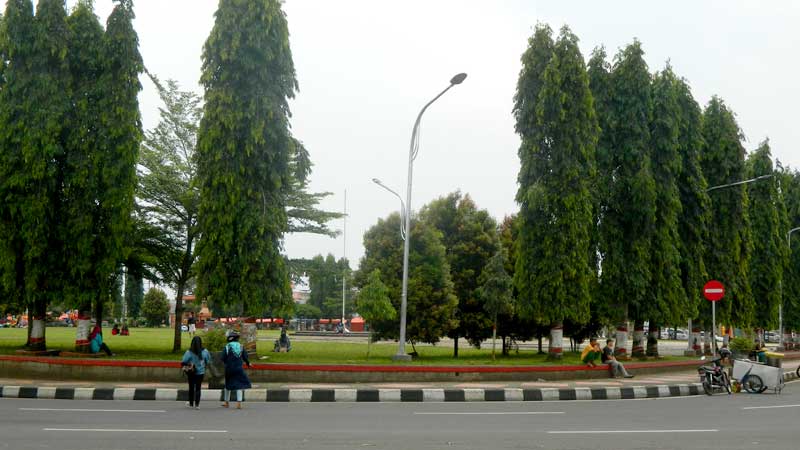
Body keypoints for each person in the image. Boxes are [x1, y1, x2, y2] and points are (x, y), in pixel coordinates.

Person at [222, 332, 251, 409]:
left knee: (227, 385)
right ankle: (239, 403)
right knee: (239, 386)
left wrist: (227, 363)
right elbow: (245, 357)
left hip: (229, 368)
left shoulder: (227, 347)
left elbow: (223, 358)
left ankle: (226, 402)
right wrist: (248, 364)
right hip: (239, 368)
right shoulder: (241, 347)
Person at [181, 336, 212, 409]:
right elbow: (208, 361)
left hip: (191, 372)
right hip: (201, 373)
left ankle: (191, 403)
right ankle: (197, 404)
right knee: (198, 388)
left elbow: (183, 362)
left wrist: (189, 365)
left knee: (191, 387)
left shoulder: (189, 352)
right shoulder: (205, 351)